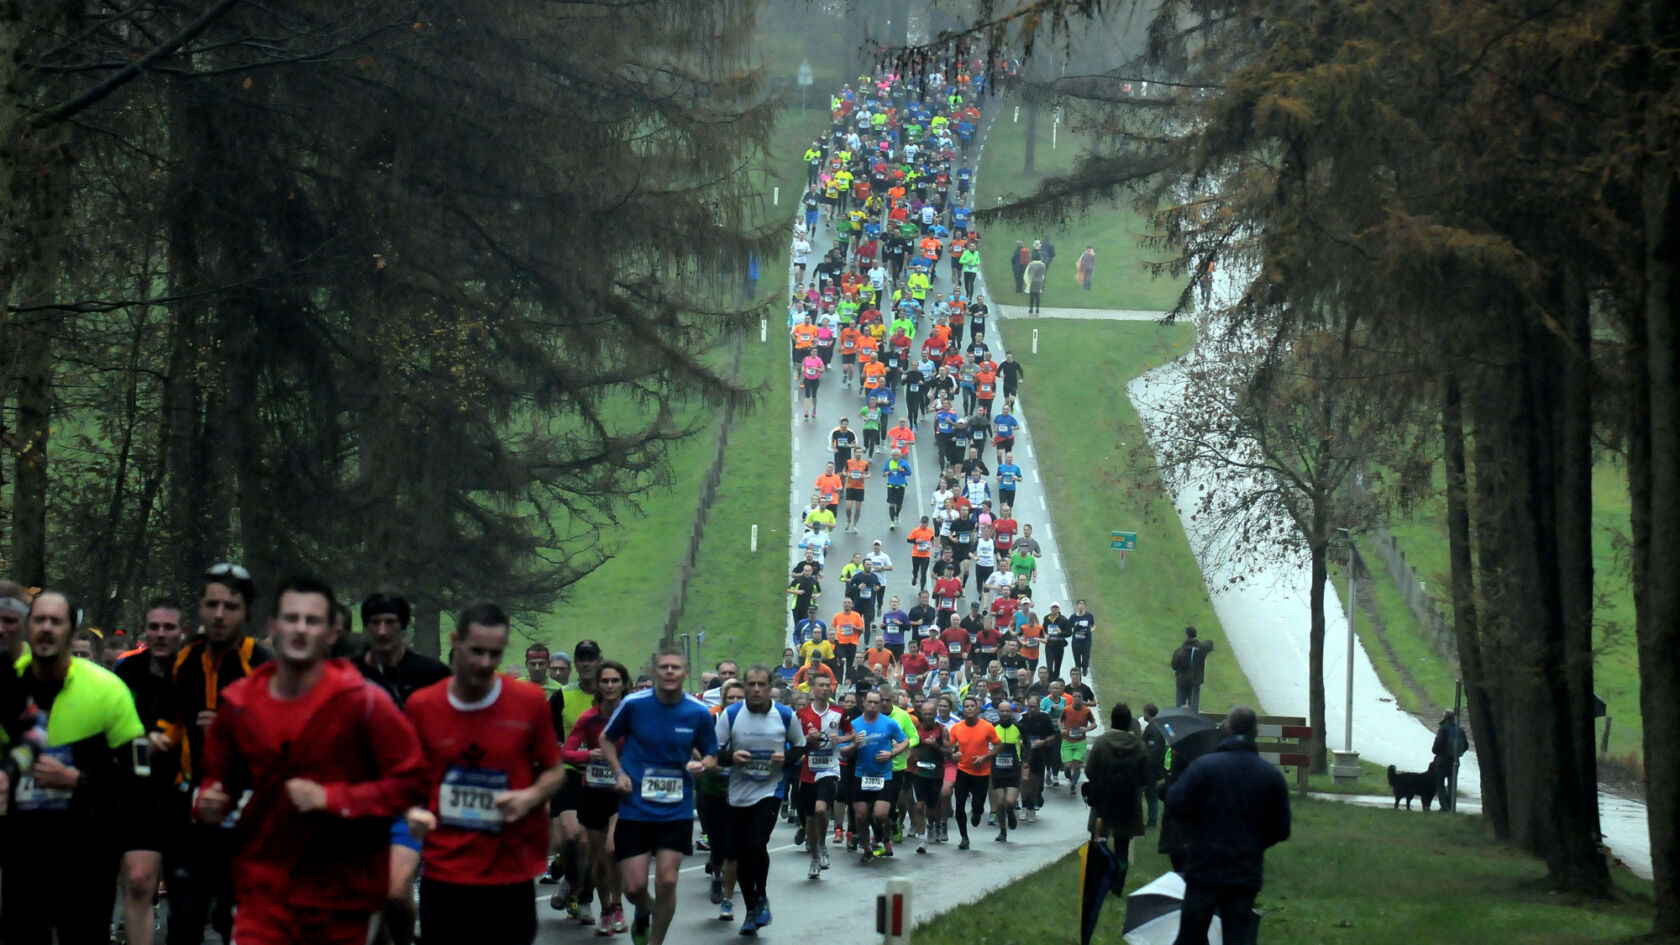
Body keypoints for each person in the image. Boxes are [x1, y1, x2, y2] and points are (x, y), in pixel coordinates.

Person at [195, 576, 428, 945]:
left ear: (332, 631)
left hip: (343, 895)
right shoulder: (241, 704)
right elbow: (217, 781)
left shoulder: (364, 702)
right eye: (291, 618)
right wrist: (210, 802)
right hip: (265, 891)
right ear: (272, 626)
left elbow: (413, 783)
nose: (300, 629)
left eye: (312, 620)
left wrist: (334, 800)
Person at [403, 602, 567, 945]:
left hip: (509, 869)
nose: (485, 663)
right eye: (476, 651)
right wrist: (413, 811)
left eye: (495, 654)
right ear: (456, 642)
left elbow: (554, 771)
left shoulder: (528, 702)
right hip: (446, 868)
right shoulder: (423, 705)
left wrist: (530, 796)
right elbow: (406, 777)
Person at [2, 590, 146, 945]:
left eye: (56, 621)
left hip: (88, 852)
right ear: (26, 627)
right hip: (22, 852)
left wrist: (78, 779)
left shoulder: (107, 691)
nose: (47, 629)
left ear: (71, 630)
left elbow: (138, 775)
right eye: (39, 620)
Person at [162, 564, 271, 945]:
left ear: (248, 613)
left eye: (231, 606)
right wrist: (160, 738)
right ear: (200, 609)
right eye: (212, 605)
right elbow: (173, 719)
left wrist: (231, 729)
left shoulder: (262, 662)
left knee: (235, 918)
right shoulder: (185, 659)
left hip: (246, 807)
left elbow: (280, 736)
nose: (220, 615)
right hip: (190, 802)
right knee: (185, 915)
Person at [600, 647, 719, 945]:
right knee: (634, 886)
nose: (669, 672)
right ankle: (643, 908)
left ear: (685, 673)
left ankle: (655, 942)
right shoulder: (633, 704)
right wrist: (619, 773)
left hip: (675, 810)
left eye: (675, 668)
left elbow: (712, 755)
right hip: (636, 808)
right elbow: (606, 739)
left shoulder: (697, 711)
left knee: (667, 880)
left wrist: (702, 765)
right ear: (655, 671)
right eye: (664, 667)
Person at [1166, 705, 1292, 945]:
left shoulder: (1203, 768)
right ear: (1255, 732)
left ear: (1226, 729)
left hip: (1204, 866)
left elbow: (1175, 803)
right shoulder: (1270, 776)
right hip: (1244, 871)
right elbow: (1281, 828)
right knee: (1237, 937)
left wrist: (1196, 830)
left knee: (1191, 935)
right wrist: (1256, 843)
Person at [714, 666, 802, 934]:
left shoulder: (785, 715)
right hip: (739, 792)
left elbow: (799, 747)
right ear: (744, 686)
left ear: (768, 687)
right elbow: (714, 750)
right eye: (750, 684)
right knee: (740, 852)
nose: (755, 689)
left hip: (770, 789)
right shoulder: (730, 715)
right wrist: (732, 757)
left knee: (755, 843)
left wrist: (785, 759)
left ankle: (761, 896)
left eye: (760, 684)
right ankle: (752, 909)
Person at [560, 659, 632, 935]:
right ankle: (605, 909)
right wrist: (587, 755)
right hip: (592, 792)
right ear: (599, 686)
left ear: (624, 684)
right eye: (605, 681)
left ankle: (617, 906)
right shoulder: (589, 718)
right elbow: (566, 752)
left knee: (614, 850)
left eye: (615, 681)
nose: (610, 686)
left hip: (622, 793)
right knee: (600, 857)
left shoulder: (632, 716)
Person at [1083, 702, 1150, 872]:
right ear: (1129, 723)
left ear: (1112, 720)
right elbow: (1146, 776)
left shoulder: (1102, 742)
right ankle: (1118, 882)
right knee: (1122, 847)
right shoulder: (1139, 745)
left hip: (1103, 799)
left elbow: (1090, 771)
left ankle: (1098, 878)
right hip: (1128, 801)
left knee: (1098, 841)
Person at [796, 674, 852, 878]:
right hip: (808, 771)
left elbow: (851, 734)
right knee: (810, 819)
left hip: (829, 768)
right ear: (812, 689)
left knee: (821, 810)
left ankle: (821, 846)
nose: (825, 688)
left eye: (828, 685)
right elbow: (794, 742)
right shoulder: (801, 714)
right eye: (821, 685)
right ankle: (813, 858)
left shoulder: (839, 712)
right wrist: (806, 738)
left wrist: (842, 738)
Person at [846, 689, 908, 862]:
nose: (873, 705)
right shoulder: (855, 724)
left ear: (881, 704)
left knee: (880, 814)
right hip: (861, 775)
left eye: (876, 702)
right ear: (864, 703)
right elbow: (842, 750)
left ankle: (879, 835)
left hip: (883, 775)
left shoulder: (889, 723)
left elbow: (905, 741)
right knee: (860, 815)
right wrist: (853, 746)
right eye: (870, 702)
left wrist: (892, 753)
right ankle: (867, 847)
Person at [947, 695, 998, 851]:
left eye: (972, 706)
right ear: (963, 709)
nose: (969, 708)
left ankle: (977, 812)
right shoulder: (956, 727)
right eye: (966, 706)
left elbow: (998, 746)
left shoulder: (987, 727)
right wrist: (952, 754)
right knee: (960, 805)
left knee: (977, 805)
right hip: (963, 770)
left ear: (977, 709)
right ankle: (964, 837)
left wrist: (984, 757)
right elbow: (949, 747)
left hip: (982, 772)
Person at [1432, 710, 1470, 812]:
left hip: (1442, 761)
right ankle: (1450, 806)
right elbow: (1466, 746)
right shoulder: (1460, 730)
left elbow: (1437, 746)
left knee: (1440, 784)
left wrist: (1437, 751)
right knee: (1452, 785)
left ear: (1445, 717)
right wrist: (1458, 753)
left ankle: (1444, 806)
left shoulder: (1443, 729)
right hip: (1455, 762)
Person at [1171, 626, 1216, 710]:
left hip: (1182, 682)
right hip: (1195, 682)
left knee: (1179, 708)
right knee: (1193, 709)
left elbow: (1174, 666)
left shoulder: (1179, 651)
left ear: (1186, 635)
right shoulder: (1201, 649)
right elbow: (1210, 643)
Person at [1140, 702, 1167, 828]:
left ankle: (1139, 819)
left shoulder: (1152, 728)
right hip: (1156, 769)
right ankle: (1152, 821)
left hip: (1149, 770)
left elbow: (1153, 750)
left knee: (1141, 794)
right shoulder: (1161, 726)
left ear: (1147, 713)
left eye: (1144, 712)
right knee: (1152, 795)